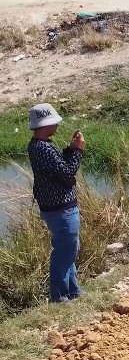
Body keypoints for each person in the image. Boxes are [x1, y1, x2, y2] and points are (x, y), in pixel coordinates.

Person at [27, 104, 84, 303]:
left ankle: (73, 292)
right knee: (64, 252)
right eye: (54, 122)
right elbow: (67, 173)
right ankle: (60, 297)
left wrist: (70, 150)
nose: (57, 125)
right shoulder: (42, 148)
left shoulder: (39, 145)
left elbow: (59, 168)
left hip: (57, 208)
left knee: (68, 250)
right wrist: (77, 151)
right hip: (61, 209)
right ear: (46, 124)